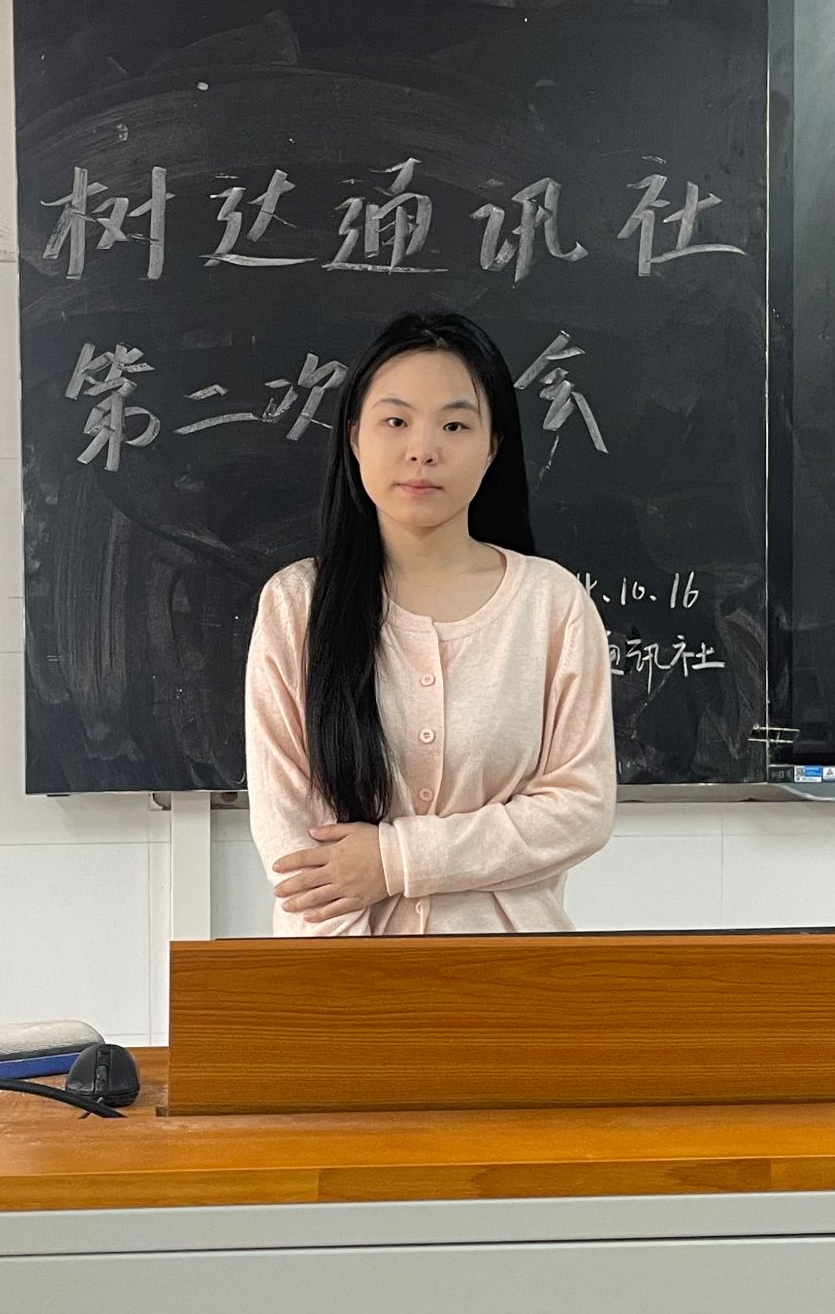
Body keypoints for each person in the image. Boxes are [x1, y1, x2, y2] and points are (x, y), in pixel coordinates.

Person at [244, 310, 617, 935]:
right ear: (354, 437)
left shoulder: (551, 604)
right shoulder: (296, 605)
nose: (423, 449)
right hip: (340, 976)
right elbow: (295, 849)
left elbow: (581, 809)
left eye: (454, 424)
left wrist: (396, 861)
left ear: (492, 446)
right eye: (396, 421)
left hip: (511, 971)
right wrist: (357, 990)